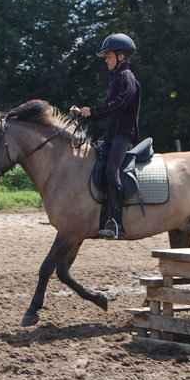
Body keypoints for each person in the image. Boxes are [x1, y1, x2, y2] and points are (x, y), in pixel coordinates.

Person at [70, 33, 140, 240]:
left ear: (121, 56)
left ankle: (117, 223)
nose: (106, 60)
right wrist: (85, 114)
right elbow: (110, 110)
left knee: (111, 171)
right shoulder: (116, 78)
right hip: (113, 133)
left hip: (123, 135)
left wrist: (92, 111)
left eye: (108, 56)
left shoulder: (127, 78)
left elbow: (119, 104)